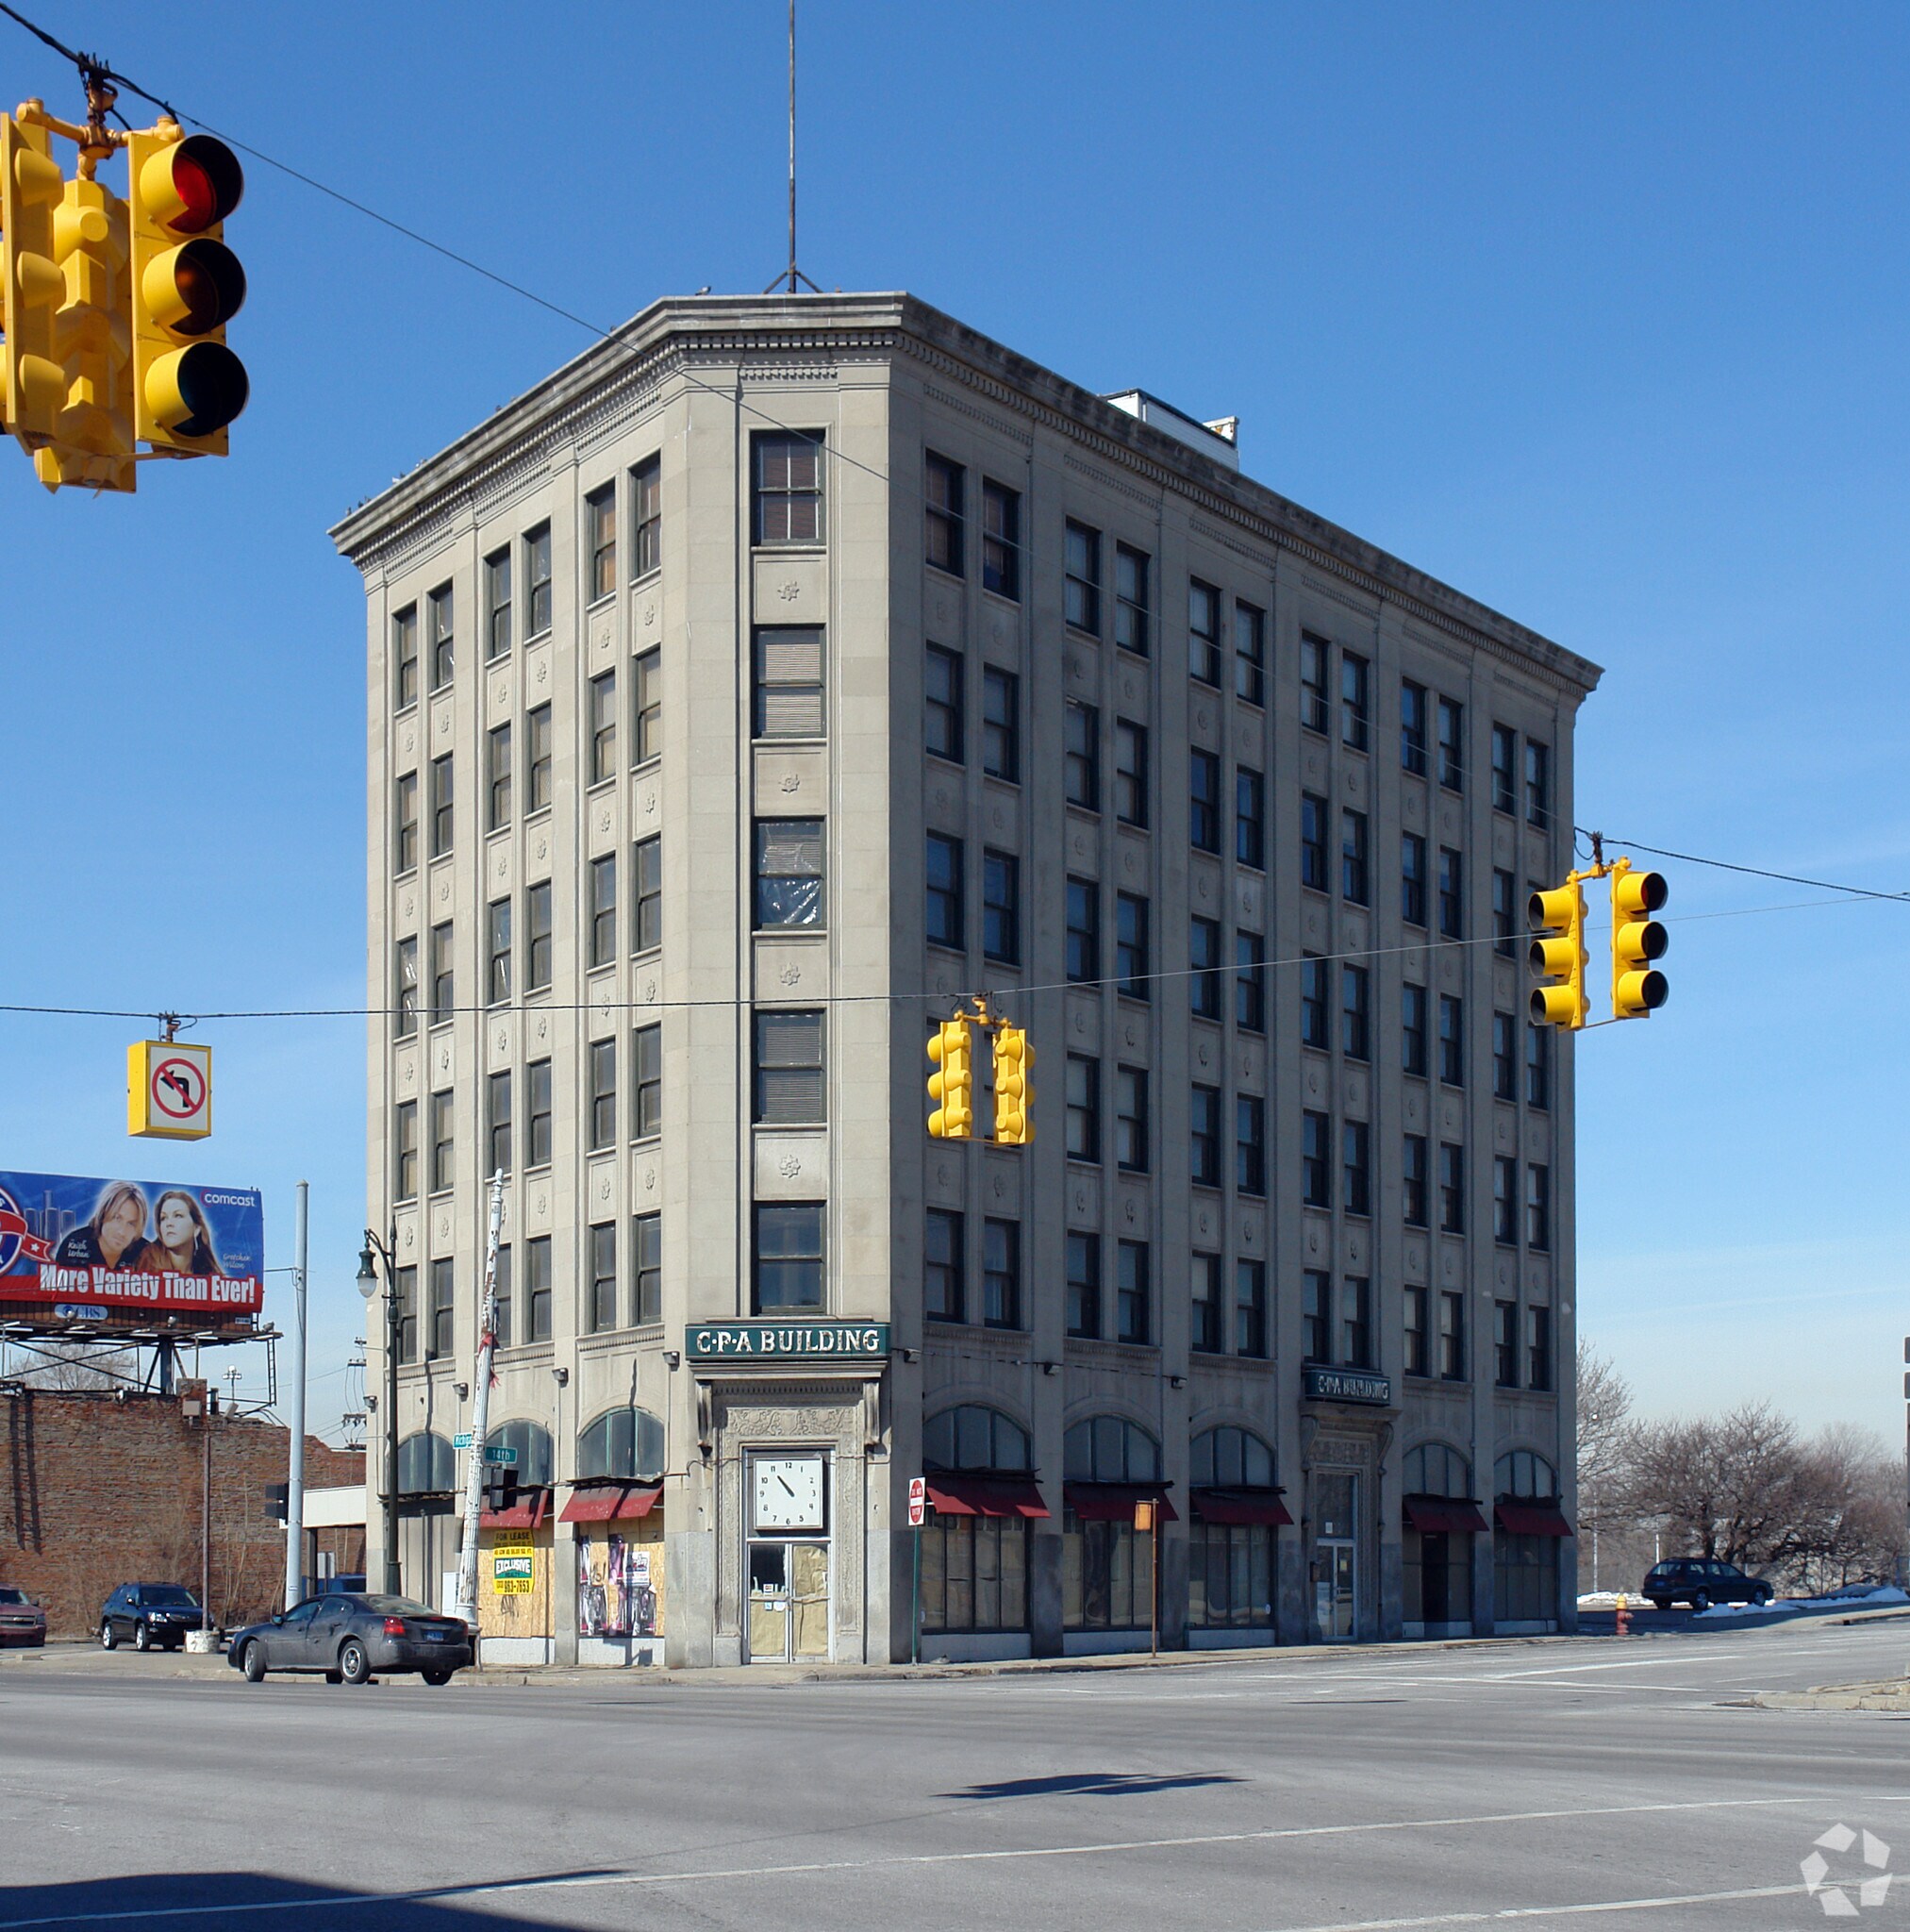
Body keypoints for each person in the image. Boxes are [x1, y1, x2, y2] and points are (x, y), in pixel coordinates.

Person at [52, 1182, 149, 1271]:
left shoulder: (146, 1253)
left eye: (131, 1224)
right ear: (103, 1214)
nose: (122, 1232)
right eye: (117, 1218)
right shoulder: (75, 1243)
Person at [129, 1190, 222, 1277]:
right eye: (163, 1218)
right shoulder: (146, 1263)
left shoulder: (208, 1275)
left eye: (178, 1215)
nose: (169, 1223)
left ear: (196, 1228)